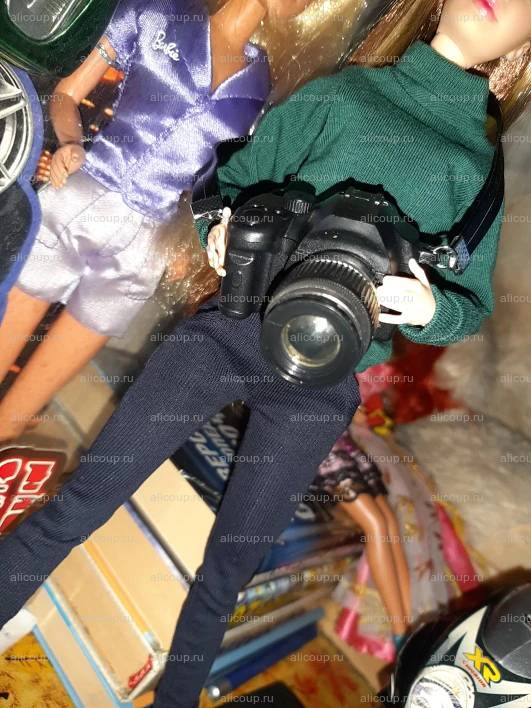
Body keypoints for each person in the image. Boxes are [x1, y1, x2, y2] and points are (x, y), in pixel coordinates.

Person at [1, 0, 529, 705]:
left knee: (229, 573)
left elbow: (469, 304)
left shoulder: (477, 166)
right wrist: (221, 225)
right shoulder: (344, 93)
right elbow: (232, 178)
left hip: (323, 381)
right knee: (81, 502)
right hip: (234, 326)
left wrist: (429, 308)